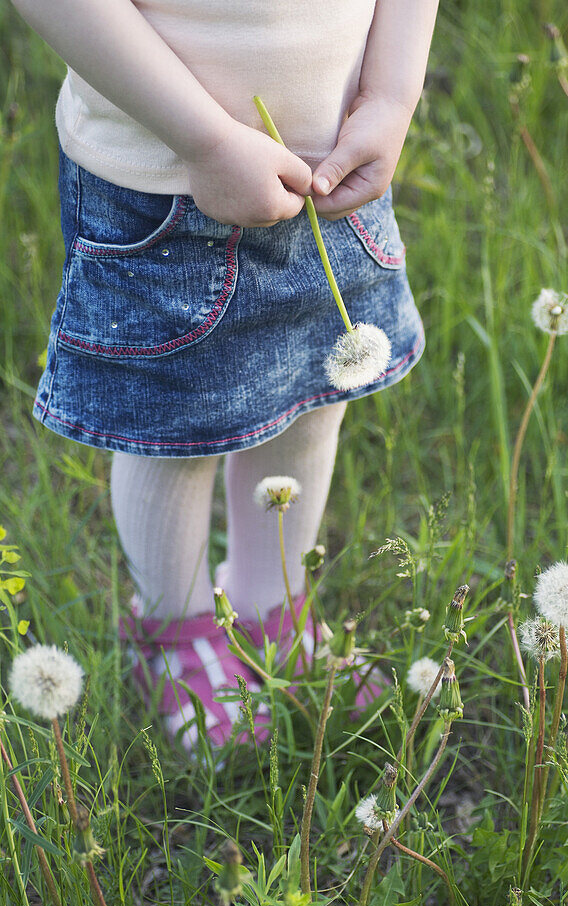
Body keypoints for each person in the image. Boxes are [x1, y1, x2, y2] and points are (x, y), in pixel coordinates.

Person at [11, 0, 439, 751]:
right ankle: (172, 634)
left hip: (336, 167)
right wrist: (204, 140)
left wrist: (392, 94)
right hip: (164, 185)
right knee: (175, 426)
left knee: (313, 396)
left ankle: (272, 612)